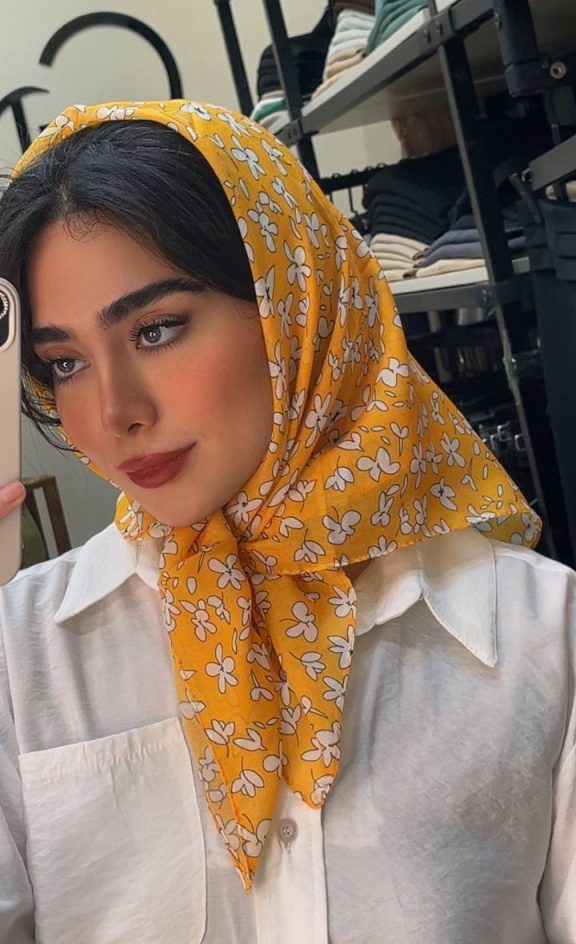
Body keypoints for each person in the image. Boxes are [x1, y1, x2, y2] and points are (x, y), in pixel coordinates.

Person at [0, 99, 573, 944]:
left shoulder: (540, 634)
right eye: (64, 363)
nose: (114, 411)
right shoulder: (22, 652)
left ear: (296, 305)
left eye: (157, 330)